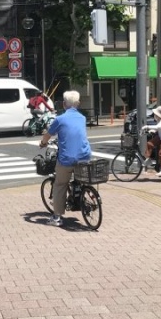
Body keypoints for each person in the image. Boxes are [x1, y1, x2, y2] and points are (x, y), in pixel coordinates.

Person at [39, 90, 91, 227]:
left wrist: (43, 143)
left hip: (67, 158)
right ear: (78, 104)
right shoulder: (82, 118)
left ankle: (57, 217)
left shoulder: (60, 119)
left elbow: (48, 135)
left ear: (63, 104)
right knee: (81, 180)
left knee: (60, 184)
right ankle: (82, 197)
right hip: (85, 156)